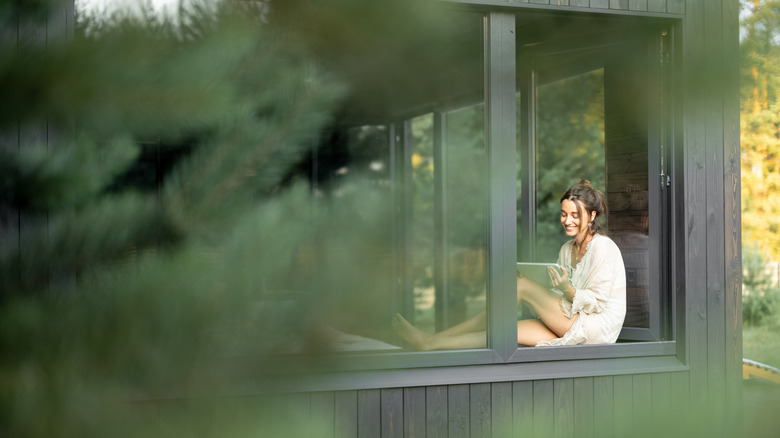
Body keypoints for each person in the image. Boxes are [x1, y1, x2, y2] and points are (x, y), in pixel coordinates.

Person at [392, 180, 626, 349]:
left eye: (575, 215)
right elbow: (559, 295)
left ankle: (434, 336)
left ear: (592, 215)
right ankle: (430, 342)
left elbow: (596, 303)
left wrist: (565, 289)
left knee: (519, 286)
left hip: (596, 328)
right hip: (571, 319)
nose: (567, 221)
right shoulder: (567, 249)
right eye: (564, 214)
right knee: (505, 332)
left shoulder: (602, 247)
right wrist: (549, 286)